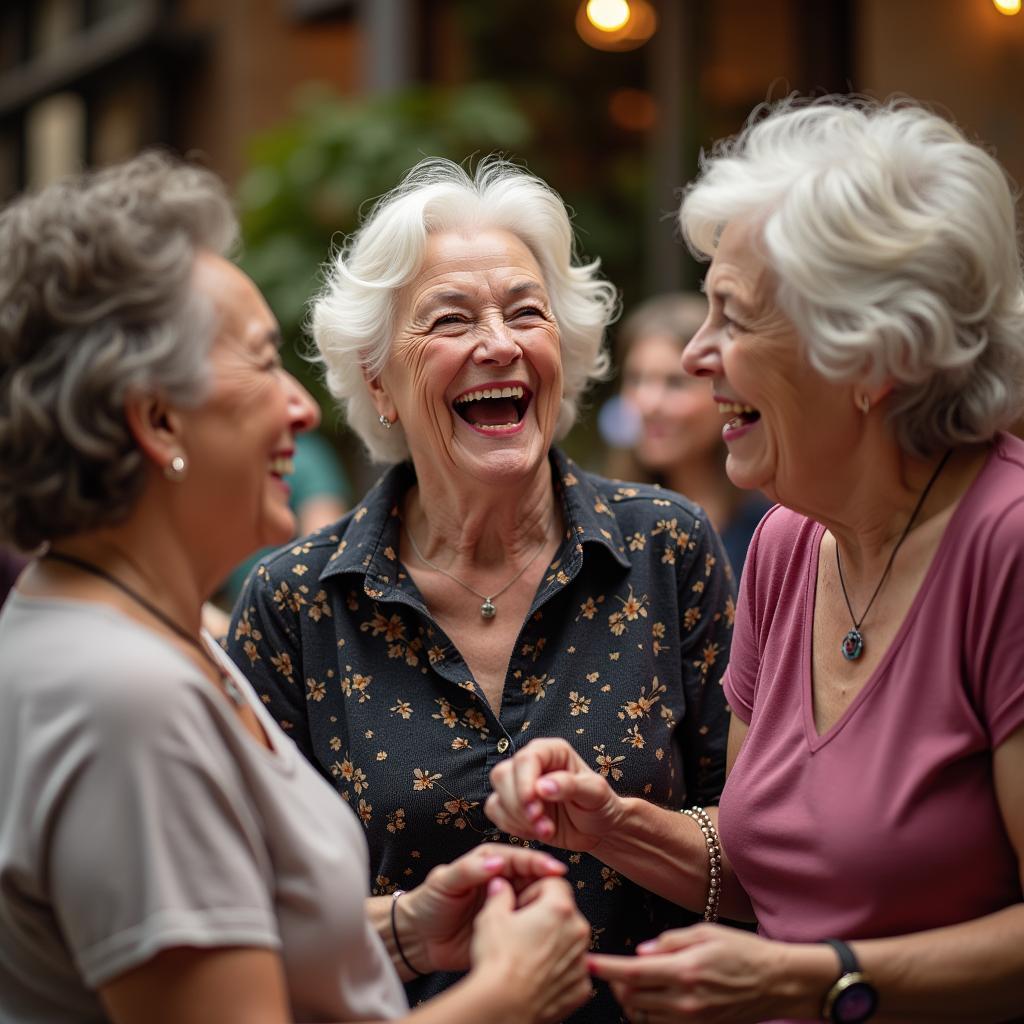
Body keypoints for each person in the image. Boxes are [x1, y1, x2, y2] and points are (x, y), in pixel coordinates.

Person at [0, 152, 594, 1024]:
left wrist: (407, 931)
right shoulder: (126, 699)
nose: (304, 407)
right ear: (158, 418)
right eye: (262, 362)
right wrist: (509, 995)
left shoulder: (153, 637)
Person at [485, 97, 1024, 1023]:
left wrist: (810, 980)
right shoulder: (788, 541)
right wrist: (609, 823)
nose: (697, 356)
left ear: (869, 357)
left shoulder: (1006, 544)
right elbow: (764, 870)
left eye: (731, 319)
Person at [226, 156, 735, 1022]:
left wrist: (614, 823)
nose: (498, 343)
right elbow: (250, 916)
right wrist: (411, 925)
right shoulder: (294, 602)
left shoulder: (667, 546)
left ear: (562, 355)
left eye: (525, 312)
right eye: (449, 319)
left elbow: (760, 848)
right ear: (379, 381)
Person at [613, 293, 771, 576]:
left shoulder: (771, 527)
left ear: (727, 392)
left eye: (675, 383)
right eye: (636, 379)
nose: (648, 404)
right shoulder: (605, 520)